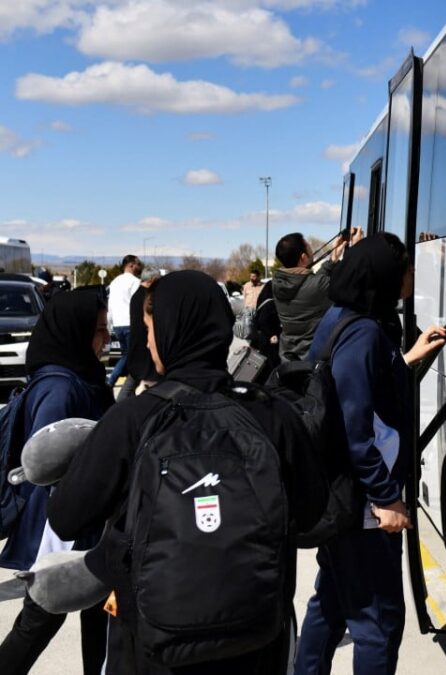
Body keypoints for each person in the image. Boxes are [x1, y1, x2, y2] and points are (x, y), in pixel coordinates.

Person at [47, 270, 324, 675]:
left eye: (150, 329)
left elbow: (66, 517)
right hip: (257, 639)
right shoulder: (273, 414)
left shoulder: (133, 418)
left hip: (152, 646)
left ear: (171, 329)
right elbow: (312, 513)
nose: (149, 342)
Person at [294, 234, 446, 675]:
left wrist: (407, 358)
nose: (411, 275)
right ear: (384, 275)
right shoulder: (363, 333)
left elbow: (359, 387)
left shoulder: (343, 317)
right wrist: (386, 497)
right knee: (379, 622)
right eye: (406, 268)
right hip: (362, 503)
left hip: (338, 492)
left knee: (332, 602)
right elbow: (354, 427)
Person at [0, 289, 115, 675]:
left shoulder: (81, 377)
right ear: (75, 331)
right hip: (61, 533)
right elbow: (47, 471)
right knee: (38, 622)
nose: (107, 339)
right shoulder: (60, 389)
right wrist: (52, 549)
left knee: (98, 620)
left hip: (85, 529)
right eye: (99, 330)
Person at [273, 230, 359, 362]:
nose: (312, 250)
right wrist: (357, 248)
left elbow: (307, 282)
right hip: (313, 359)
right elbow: (349, 280)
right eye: (309, 247)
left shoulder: (276, 283)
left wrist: (332, 261)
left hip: (288, 358)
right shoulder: (318, 286)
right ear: (303, 257)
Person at [106, 255, 143, 388]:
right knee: (130, 355)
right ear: (131, 265)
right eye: (138, 264)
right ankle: (111, 381)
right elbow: (137, 304)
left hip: (117, 324)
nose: (140, 267)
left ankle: (128, 386)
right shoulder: (135, 282)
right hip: (130, 323)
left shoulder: (114, 282)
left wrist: (109, 324)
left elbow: (110, 305)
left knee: (127, 356)